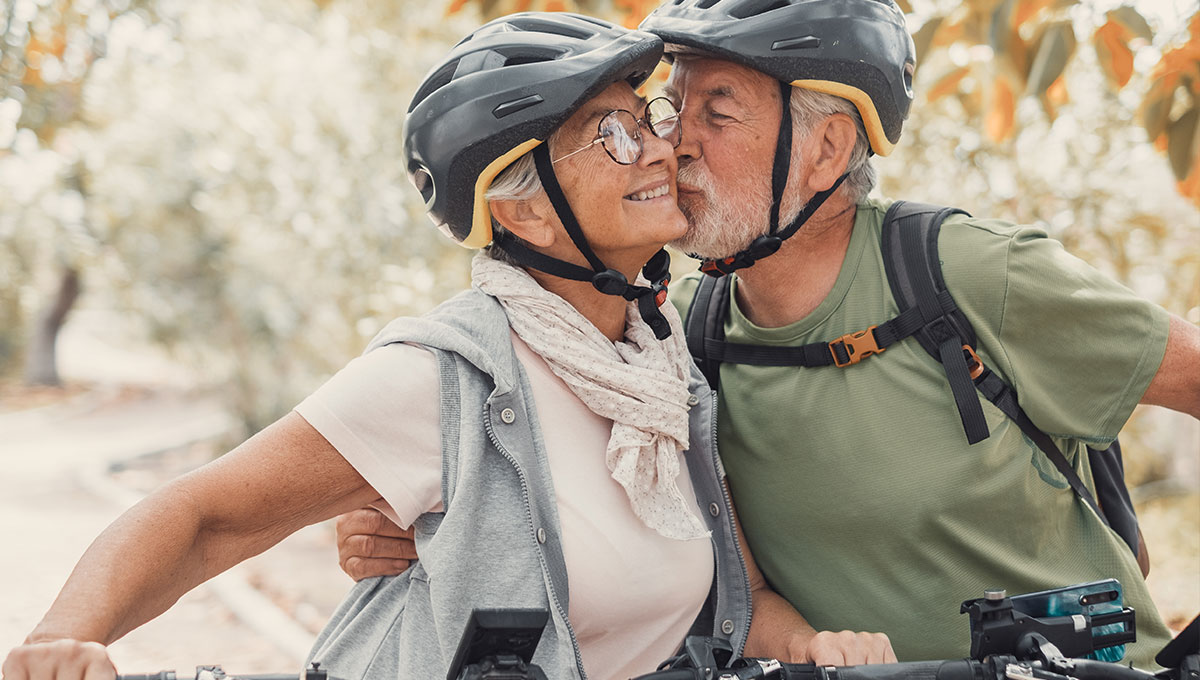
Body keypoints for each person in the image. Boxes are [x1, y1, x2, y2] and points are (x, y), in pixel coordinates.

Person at [0, 13, 869, 680]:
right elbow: (199, 516)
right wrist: (58, 644)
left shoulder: (658, 364)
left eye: (645, 119)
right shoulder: (444, 377)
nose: (659, 147)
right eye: (612, 134)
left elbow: (736, 601)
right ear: (521, 205)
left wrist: (822, 647)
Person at [334, 0, 1200, 667]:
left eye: (718, 110)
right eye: (674, 109)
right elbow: (629, 533)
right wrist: (421, 526)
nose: (676, 146)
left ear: (824, 151)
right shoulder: (685, 345)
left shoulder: (967, 273)